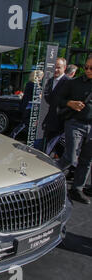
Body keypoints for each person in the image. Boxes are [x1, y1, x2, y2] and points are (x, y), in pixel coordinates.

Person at [57, 54, 92, 204]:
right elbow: (58, 99)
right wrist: (70, 103)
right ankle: (46, 176)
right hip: (75, 123)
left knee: (87, 160)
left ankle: (77, 189)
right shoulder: (74, 83)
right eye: (86, 67)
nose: (88, 70)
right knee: (70, 157)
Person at [43, 58, 70, 148]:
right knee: (48, 146)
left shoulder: (68, 82)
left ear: (64, 68)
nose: (55, 70)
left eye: (58, 67)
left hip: (60, 122)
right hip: (50, 120)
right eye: (54, 67)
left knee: (51, 147)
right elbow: (48, 98)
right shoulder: (50, 81)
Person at [10, 70, 44, 139]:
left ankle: (14, 135)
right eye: (41, 76)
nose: (42, 78)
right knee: (26, 123)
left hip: (26, 106)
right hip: (29, 107)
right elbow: (37, 96)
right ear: (38, 77)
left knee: (25, 123)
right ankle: (14, 135)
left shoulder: (30, 83)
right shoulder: (33, 85)